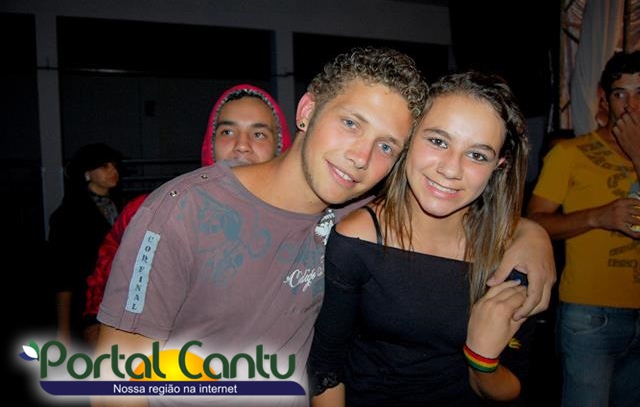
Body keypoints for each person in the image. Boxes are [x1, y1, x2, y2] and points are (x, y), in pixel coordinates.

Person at [94, 47, 555, 407]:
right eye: (351, 123)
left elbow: (458, 209)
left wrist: (531, 235)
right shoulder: (183, 212)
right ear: (307, 110)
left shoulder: (357, 210)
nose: (360, 157)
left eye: (386, 146)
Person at [309, 71, 534, 406]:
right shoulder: (357, 240)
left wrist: (482, 359)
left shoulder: (511, 256)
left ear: (498, 166)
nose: (451, 169)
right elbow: (326, 368)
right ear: (410, 138)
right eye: (438, 141)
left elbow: (512, 387)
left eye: (477, 155)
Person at [82, 84, 292, 346]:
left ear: (280, 148)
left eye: (259, 134)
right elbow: (107, 273)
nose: (241, 146)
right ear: (210, 144)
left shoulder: (297, 226)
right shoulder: (158, 211)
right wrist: (93, 324)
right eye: (227, 132)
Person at [527, 50, 640, 407]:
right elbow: (533, 224)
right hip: (590, 314)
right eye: (621, 93)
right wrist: (597, 217)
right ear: (604, 99)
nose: (632, 105)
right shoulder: (570, 153)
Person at [47, 142, 124, 349]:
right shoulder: (69, 215)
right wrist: (63, 330)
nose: (113, 171)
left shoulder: (119, 206)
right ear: (87, 173)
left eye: (114, 165)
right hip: (86, 304)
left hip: (115, 299)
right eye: (105, 166)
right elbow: (63, 273)